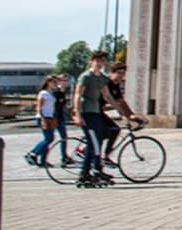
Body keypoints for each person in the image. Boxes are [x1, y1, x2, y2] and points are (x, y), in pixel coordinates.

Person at [71, 51, 140, 188]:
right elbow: (78, 95)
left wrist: (121, 112)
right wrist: (77, 114)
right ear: (91, 62)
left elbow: (108, 96)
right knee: (95, 144)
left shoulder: (102, 78)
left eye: (102, 61)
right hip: (86, 113)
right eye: (97, 61)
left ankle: (87, 173)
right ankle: (92, 171)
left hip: (96, 113)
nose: (99, 63)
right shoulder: (86, 77)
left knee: (95, 143)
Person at [23, 75, 61, 168]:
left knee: (48, 139)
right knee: (49, 138)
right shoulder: (43, 93)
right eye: (54, 82)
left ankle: (43, 160)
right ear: (48, 82)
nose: (55, 84)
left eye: (56, 82)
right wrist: (43, 119)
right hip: (43, 117)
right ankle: (33, 153)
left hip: (50, 117)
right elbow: (39, 108)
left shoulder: (51, 93)